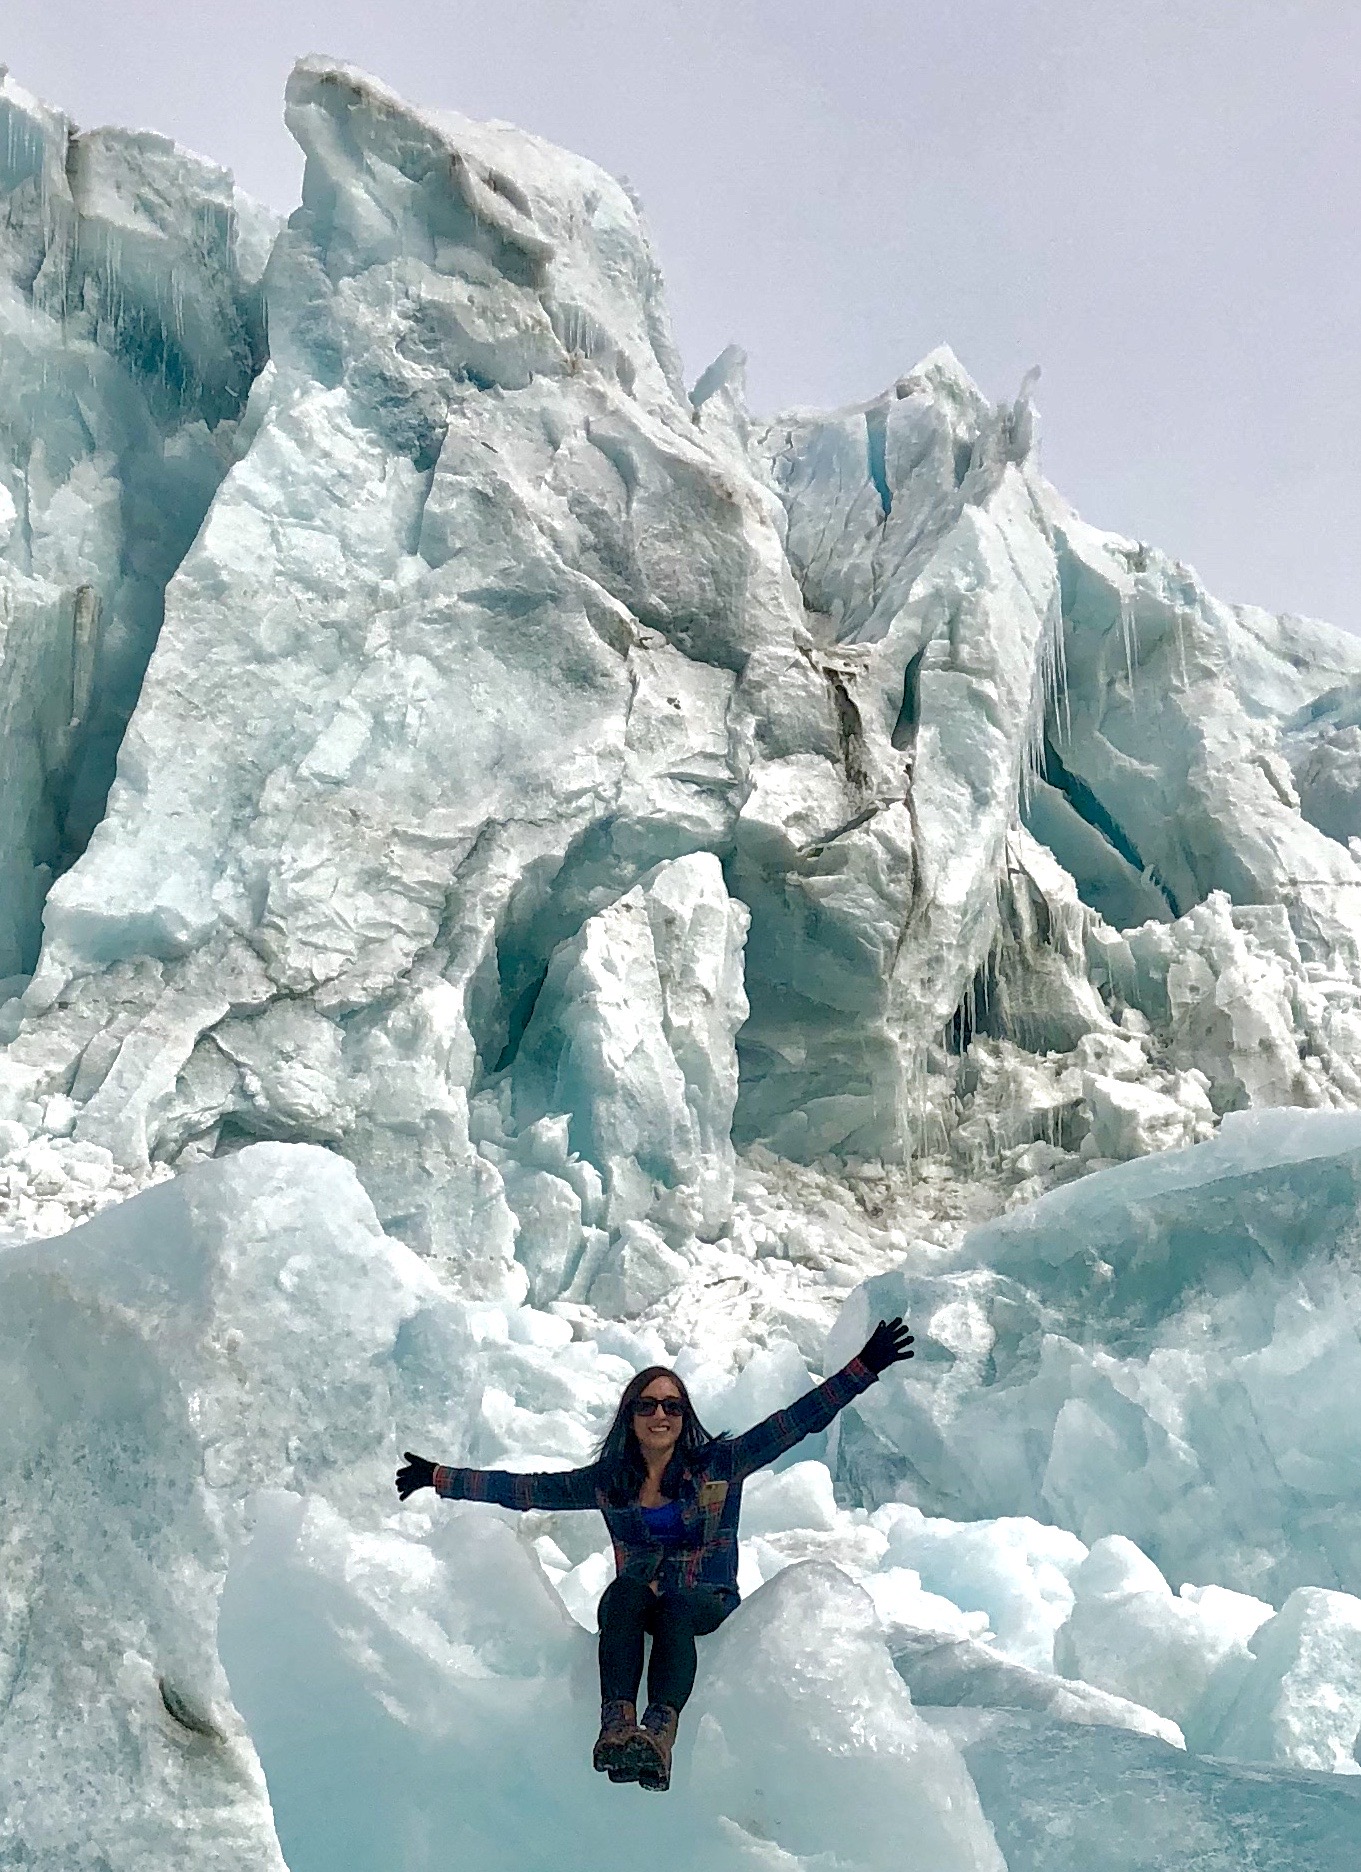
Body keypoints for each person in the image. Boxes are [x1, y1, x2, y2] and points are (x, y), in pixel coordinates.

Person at [396, 1316, 914, 1791]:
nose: (659, 1414)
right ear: (630, 1417)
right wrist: (438, 1477)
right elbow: (525, 1490)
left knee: (675, 1607)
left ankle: (659, 1733)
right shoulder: (609, 1483)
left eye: (671, 1405)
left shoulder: (720, 1465)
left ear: (684, 1416)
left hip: (704, 1600)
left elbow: (796, 1421)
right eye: (647, 1405)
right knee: (622, 1593)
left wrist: (863, 1367)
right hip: (642, 1597)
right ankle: (616, 1727)